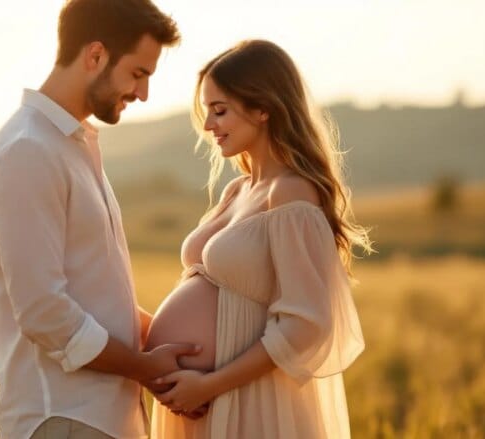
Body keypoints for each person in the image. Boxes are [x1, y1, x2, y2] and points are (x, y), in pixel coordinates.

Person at [0, 1, 200, 438]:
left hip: (99, 419)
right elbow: (43, 310)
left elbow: (93, 291)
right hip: (62, 418)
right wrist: (142, 369)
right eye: (138, 73)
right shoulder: (28, 150)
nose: (143, 93)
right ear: (95, 55)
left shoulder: (69, 146)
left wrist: (177, 346)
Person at [145, 40, 373, 438]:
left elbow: (305, 325)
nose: (208, 125)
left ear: (263, 108)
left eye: (220, 110)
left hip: (248, 403)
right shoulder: (238, 190)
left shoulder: (291, 193)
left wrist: (209, 384)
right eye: (207, 112)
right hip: (199, 402)